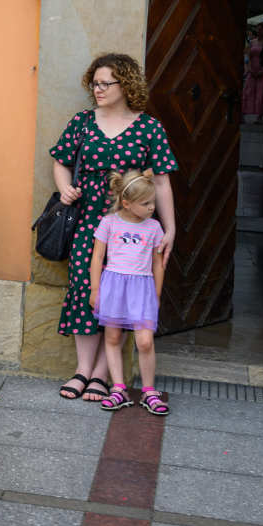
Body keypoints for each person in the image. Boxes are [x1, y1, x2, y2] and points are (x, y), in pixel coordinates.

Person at [48, 53, 178, 402]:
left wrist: (170, 229)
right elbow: (60, 161)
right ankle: (82, 370)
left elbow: (161, 181)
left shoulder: (149, 128)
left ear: (126, 85)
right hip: (88, 221)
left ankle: (103, 375)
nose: (98, 89)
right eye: (95, 83)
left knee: (121, 295)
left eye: (106, 83)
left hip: (132, 228)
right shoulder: (82, 122)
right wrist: (64, 187)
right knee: (84, 288)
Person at [89, 172, 171, 416]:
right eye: (146, 203)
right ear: (126, 203)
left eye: (153, 202)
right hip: (113, 286)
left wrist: (156, 294)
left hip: (142, 288)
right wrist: (95, 290)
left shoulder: (154, 227)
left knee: (144, 341)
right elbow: (97, 257)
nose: (152, 207)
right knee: (113, 337)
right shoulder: (109, 223)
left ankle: (149, 391)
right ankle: (118, 389)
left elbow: (157, 264)